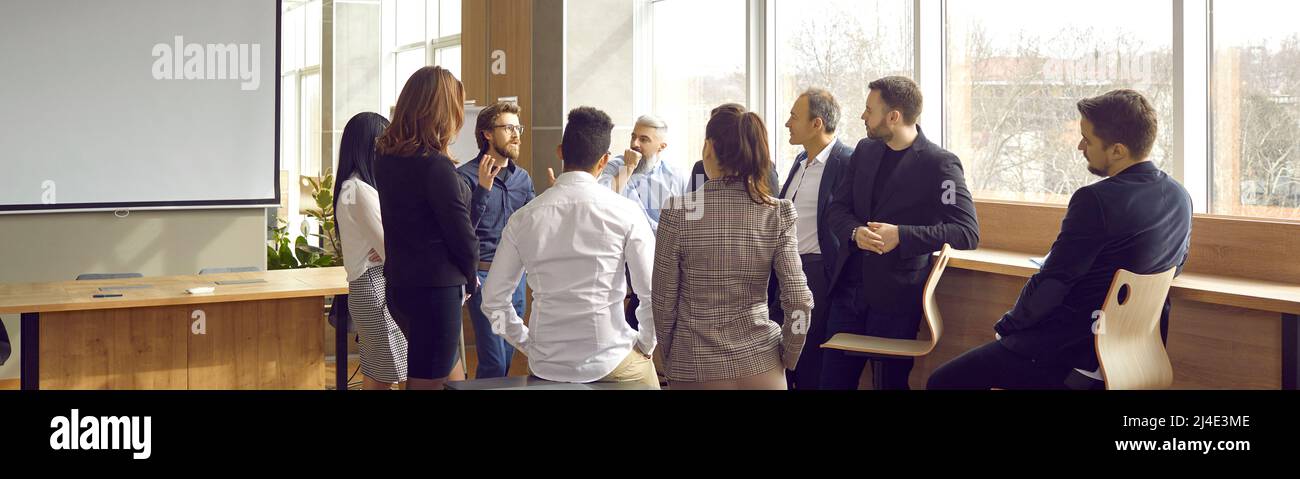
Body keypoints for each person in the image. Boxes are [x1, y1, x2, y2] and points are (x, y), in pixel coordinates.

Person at [928, 89, 1192, 390]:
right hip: (1131, 354)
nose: (1080, 146)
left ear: (1118, 150)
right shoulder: (1179, 196)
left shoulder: (1095, 200)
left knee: (943, 381)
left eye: (1088, 139)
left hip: (1071, 354)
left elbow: (1055, 280)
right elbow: (1175, 266)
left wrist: (1008, 327)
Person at [481, 107, 659, 389]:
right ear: (604, 160)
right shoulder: (626, 212)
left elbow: (492, 301)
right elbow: (651, 291)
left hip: (547, 365)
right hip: (613, 360)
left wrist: (528, 343)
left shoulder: (524, 218)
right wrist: (646, 344)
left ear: (560, 151)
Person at [822, 76, 980, 390]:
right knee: (832, 383)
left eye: (869, 110)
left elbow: (966, 231)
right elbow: (836, 210)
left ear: (893, 116)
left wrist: (902, 235)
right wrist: (855, 232)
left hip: (895, 298)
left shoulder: (941, 165)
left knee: (890, 384)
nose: (862, 116)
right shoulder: (865, 151)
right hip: (847, 292)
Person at [653, 103, 813, 390]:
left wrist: (670, 355)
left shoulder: (678, 211)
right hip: (762, 363)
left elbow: (664, 303)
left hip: (694, 364)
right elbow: (800, 301)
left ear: (709, 148)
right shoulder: (778, 212)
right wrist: (789, 354)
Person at [373, 66, 476, 390]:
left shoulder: (386, 159)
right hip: (435, 291)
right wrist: (471, 277)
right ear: (444, 112)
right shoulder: (436, 167)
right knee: (426, 381)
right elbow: (462, 236)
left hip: (401, 285)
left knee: (445, 373)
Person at [771, 88, 854, 390]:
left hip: (818, 274)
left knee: (807, 356)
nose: (787, 123)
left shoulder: (847, 162)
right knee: (783, 352)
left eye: (794, 116)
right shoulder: (799, 160)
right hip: (785, 271)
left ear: (816, 123)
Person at [455, 101, 535, 379]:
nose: (516, 134)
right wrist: (483, 190)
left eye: (518, 127)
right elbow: (461, 231)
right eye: (508, 127)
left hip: (516, 279)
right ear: (487, 134)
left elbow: (532, 228)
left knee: (508, 358)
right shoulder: (464, 176)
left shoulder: (522, 179)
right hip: (483, 277)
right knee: (494, 361)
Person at [334, 112, 407, 390]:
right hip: (375, 285)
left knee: (379, 375)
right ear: (371, 144)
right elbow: (391, 248)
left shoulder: (354, 185)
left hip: (369, 286)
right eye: (386, 140)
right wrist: (397, 243)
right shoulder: (359, 189)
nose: (391, 147)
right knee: (395, 373)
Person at [596, 115, 690, 331]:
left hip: (664, 257)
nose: (634, 144)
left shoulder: (678, 176)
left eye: (644, 139)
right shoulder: (614, 167)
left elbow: (688, 224)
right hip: (623, 256)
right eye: (633, 136)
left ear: (661, 146)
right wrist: (627, 169)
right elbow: (599, 201)